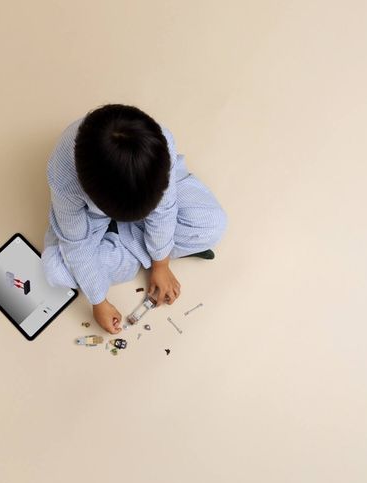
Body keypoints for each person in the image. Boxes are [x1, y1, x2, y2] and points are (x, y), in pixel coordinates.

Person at [42, 103, 228, 334]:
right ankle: (142, 244)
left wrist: (161, 264)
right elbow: (77, 243)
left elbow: (164, 209)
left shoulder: (160, 144)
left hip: (148, 193)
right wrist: (98, 301)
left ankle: (135, 247)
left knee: (213, 225)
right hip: (91, 218)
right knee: (55, 271)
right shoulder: (64, 178)